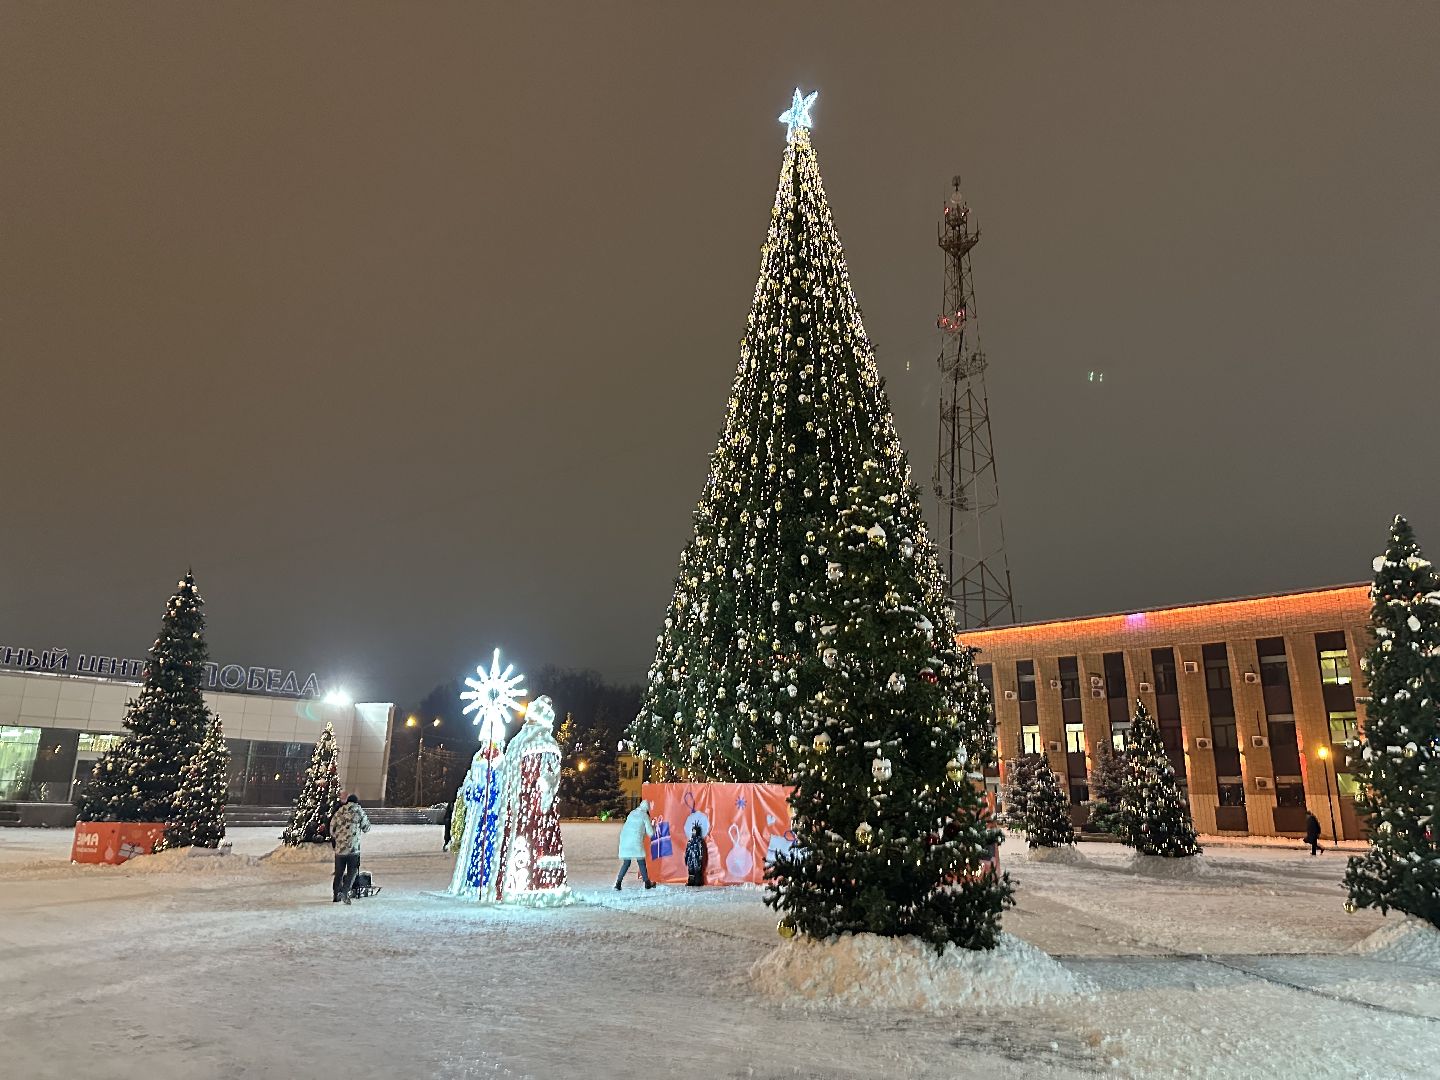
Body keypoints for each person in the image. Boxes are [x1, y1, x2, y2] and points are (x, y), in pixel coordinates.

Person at [330, 794, 372, 904]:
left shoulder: (339, 811)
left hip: (340, 849)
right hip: (353, 848)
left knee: (339, 873)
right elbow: (366, 827)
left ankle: (336, 895)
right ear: (356, 802)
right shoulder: (359, 811)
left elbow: (331, 828)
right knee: (352, 872)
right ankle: (345, 892)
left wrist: (338, 838)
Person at [616, 799, 655, 890]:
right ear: (647, 809)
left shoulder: (632, 813)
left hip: (625, 840)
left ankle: (618, 883)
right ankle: (647, 883)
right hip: (635, 842)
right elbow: (651, 833)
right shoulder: (644, 816)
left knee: (626, 863)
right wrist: (653, 826)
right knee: (641, 861)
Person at [685, 822, 707, 887]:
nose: (693, 832)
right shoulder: (690, 841)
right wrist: (686, 858)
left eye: (694, 831)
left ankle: (698, 882)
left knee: (697, 871)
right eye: (693, 831)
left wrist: (700, 857)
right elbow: (687, 850)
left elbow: (701, 850)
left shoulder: (699, 841)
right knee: (691, 871)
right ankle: (691, 882)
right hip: (690, 859)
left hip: (696, 859)